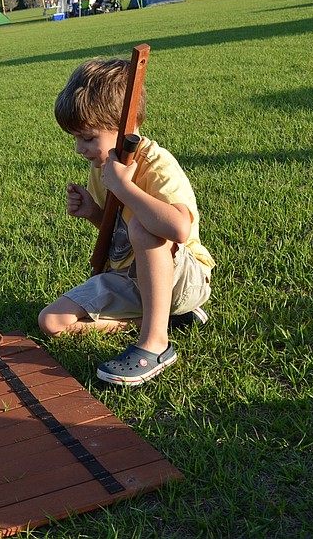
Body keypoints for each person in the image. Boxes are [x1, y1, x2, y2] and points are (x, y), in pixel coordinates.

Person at [38, 58, 214, 387]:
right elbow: (117, 233)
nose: (80, 149)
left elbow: (178, 228)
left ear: (125, 126)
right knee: (51, 322)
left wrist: (124, 187)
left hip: (184, 278)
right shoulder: (102, 166)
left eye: (88, 138)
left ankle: (155, 344)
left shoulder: (156, 163)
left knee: (144, 227)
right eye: (75, 138)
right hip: (129, 278)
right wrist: (93, 212)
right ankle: (161, 320)